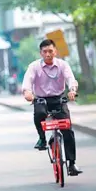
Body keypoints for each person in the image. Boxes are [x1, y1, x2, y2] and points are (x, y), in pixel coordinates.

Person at [22, 39, 82, 176]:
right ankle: (42, 138)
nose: (48, 54)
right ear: (41, 53)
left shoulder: (63, 65)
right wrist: (27, 93)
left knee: (67, 129)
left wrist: (72, 90)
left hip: (59, 99)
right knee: (38, 113)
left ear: (55, 51)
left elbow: (71, 79)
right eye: (45, 52)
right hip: (41, 99)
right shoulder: (34, 66)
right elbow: (27, 82)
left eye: (50, 51)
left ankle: (72, 163)